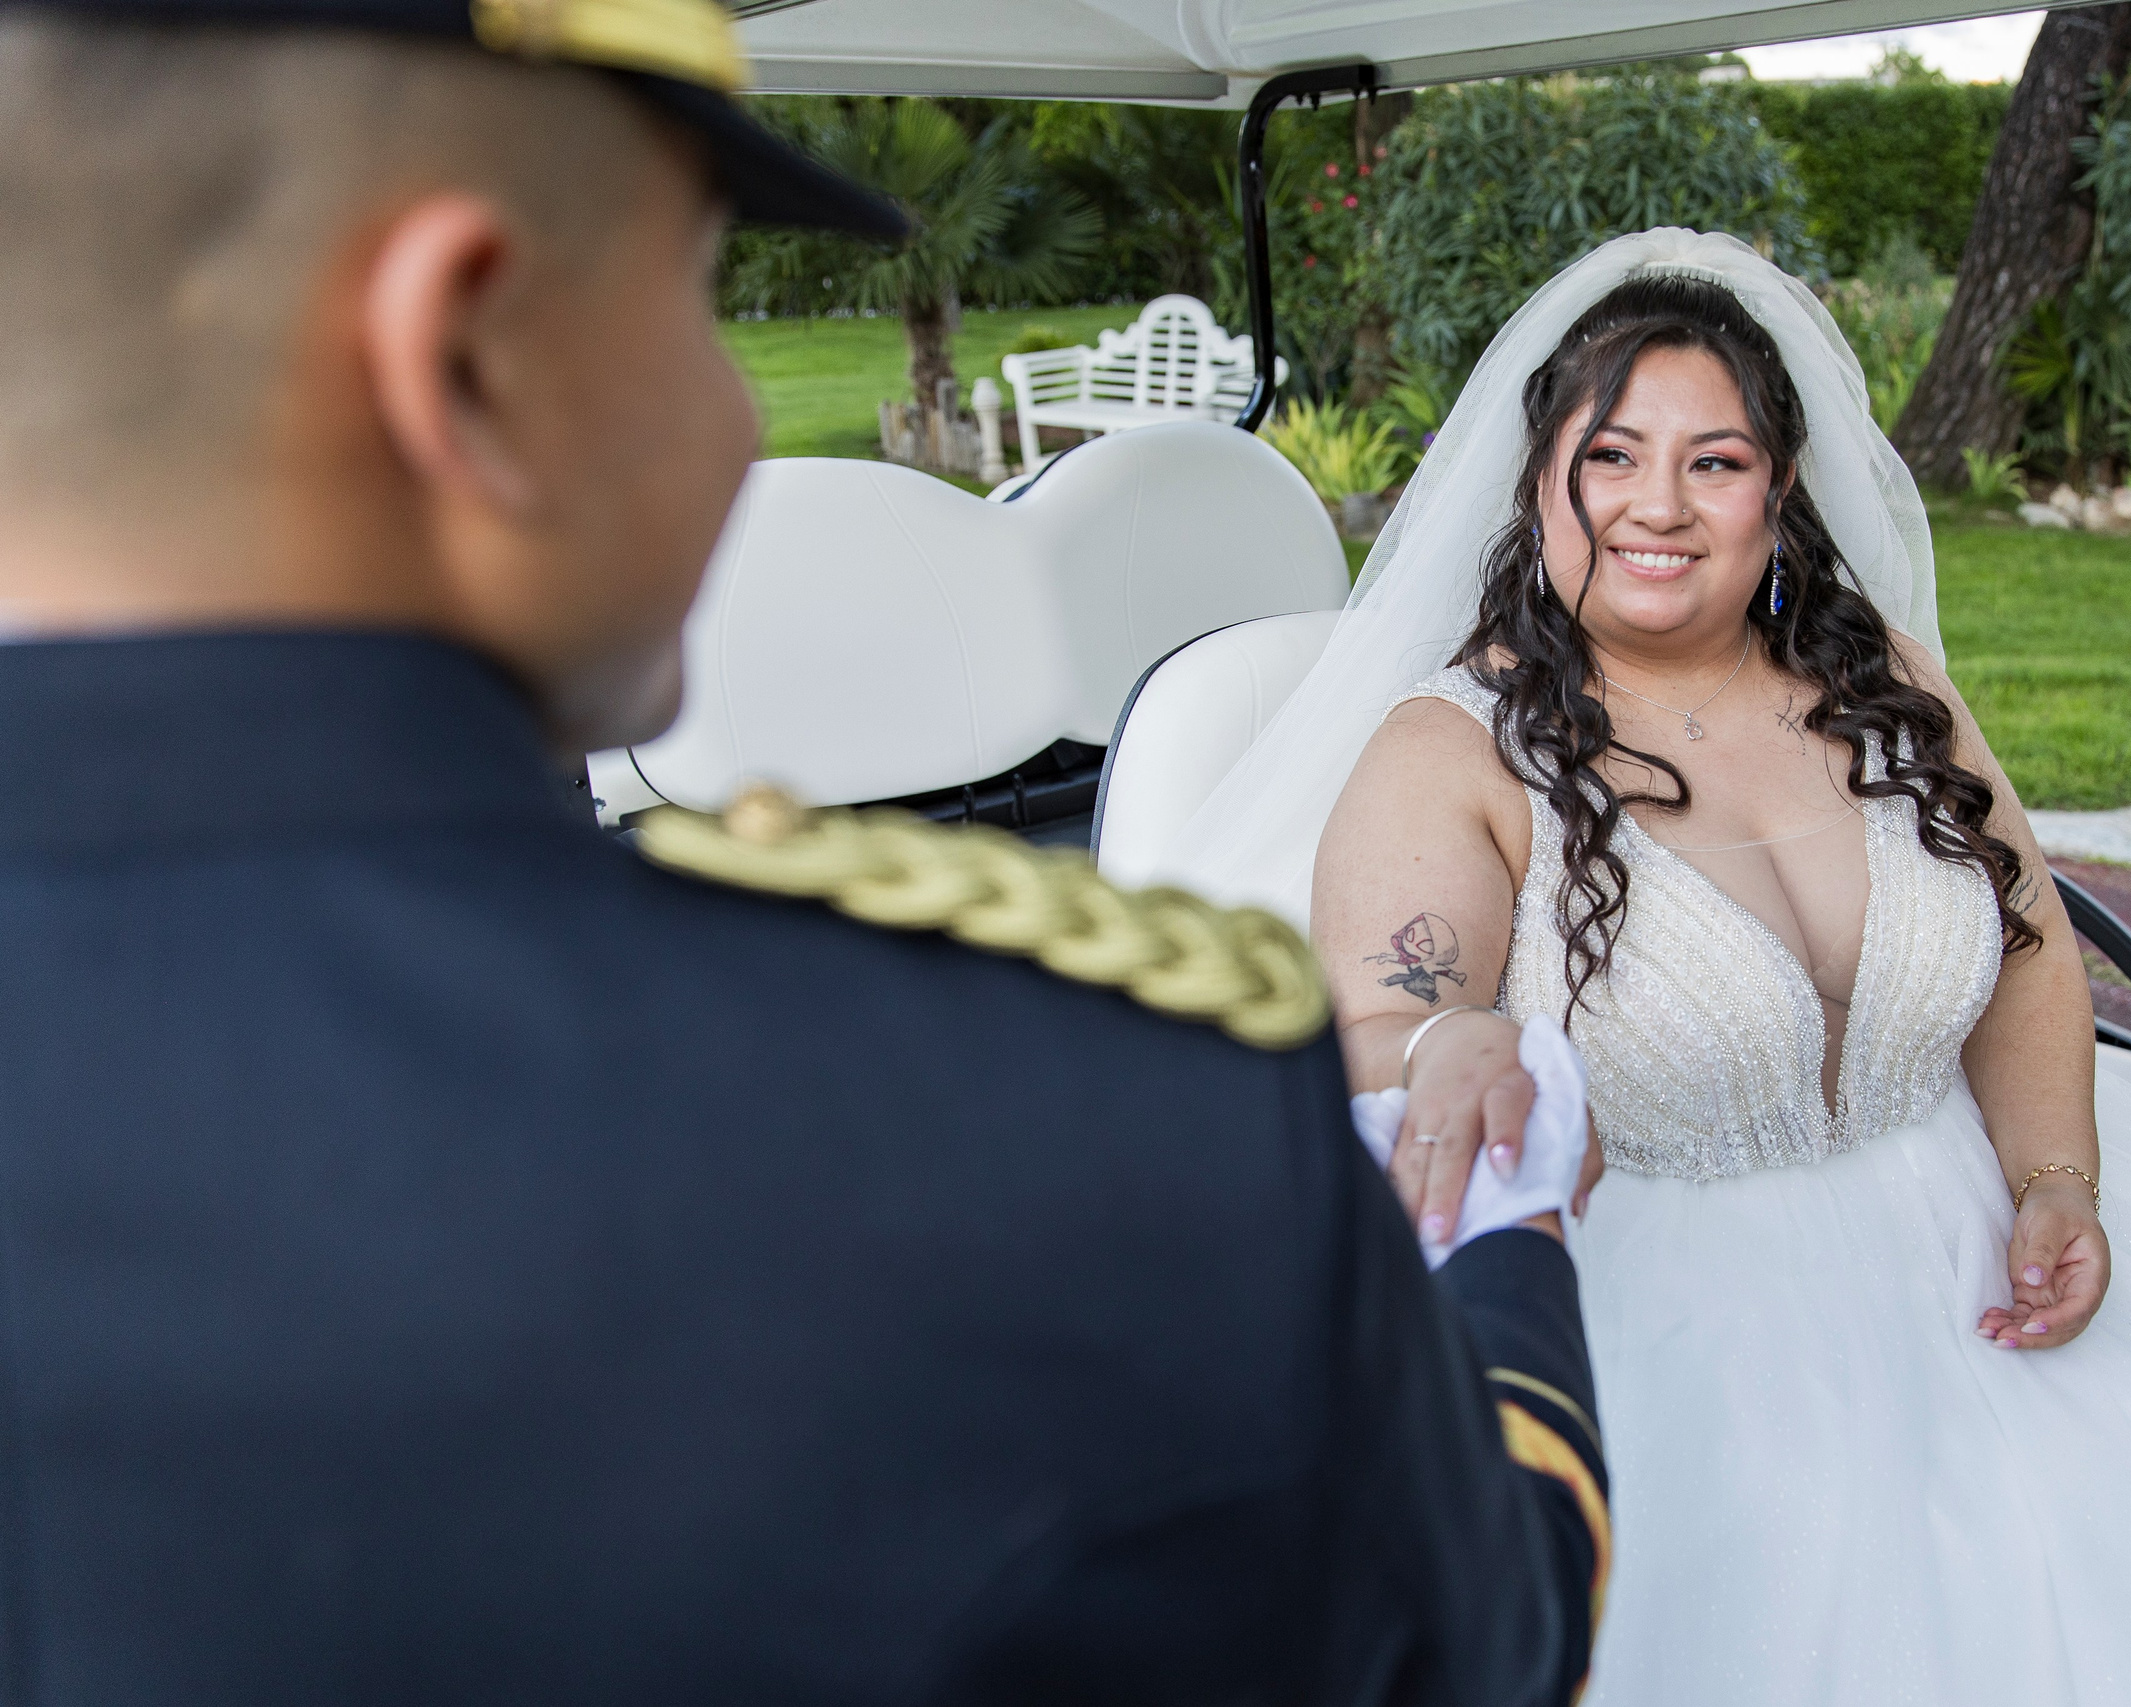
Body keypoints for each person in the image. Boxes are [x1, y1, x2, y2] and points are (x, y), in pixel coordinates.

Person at [0, 2, 1609, 1699]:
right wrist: (1507, 1249)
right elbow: (1476, 1634)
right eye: (693, 307)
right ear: (464, 352)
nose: (728, 422)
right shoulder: (1067, 1118)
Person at [1155, 229, 2131, 1703]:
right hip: (1665, 1309)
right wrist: (1448, 1043)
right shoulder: (1452, 750)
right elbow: (1388, 1015)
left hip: (1965, 1229)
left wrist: (2058, 1180)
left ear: (1778, 494)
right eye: (1611, 455)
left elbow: (2025, 942)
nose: (1658, 505)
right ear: (1537, 485)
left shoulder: (1880, 681)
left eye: (1714, 462)